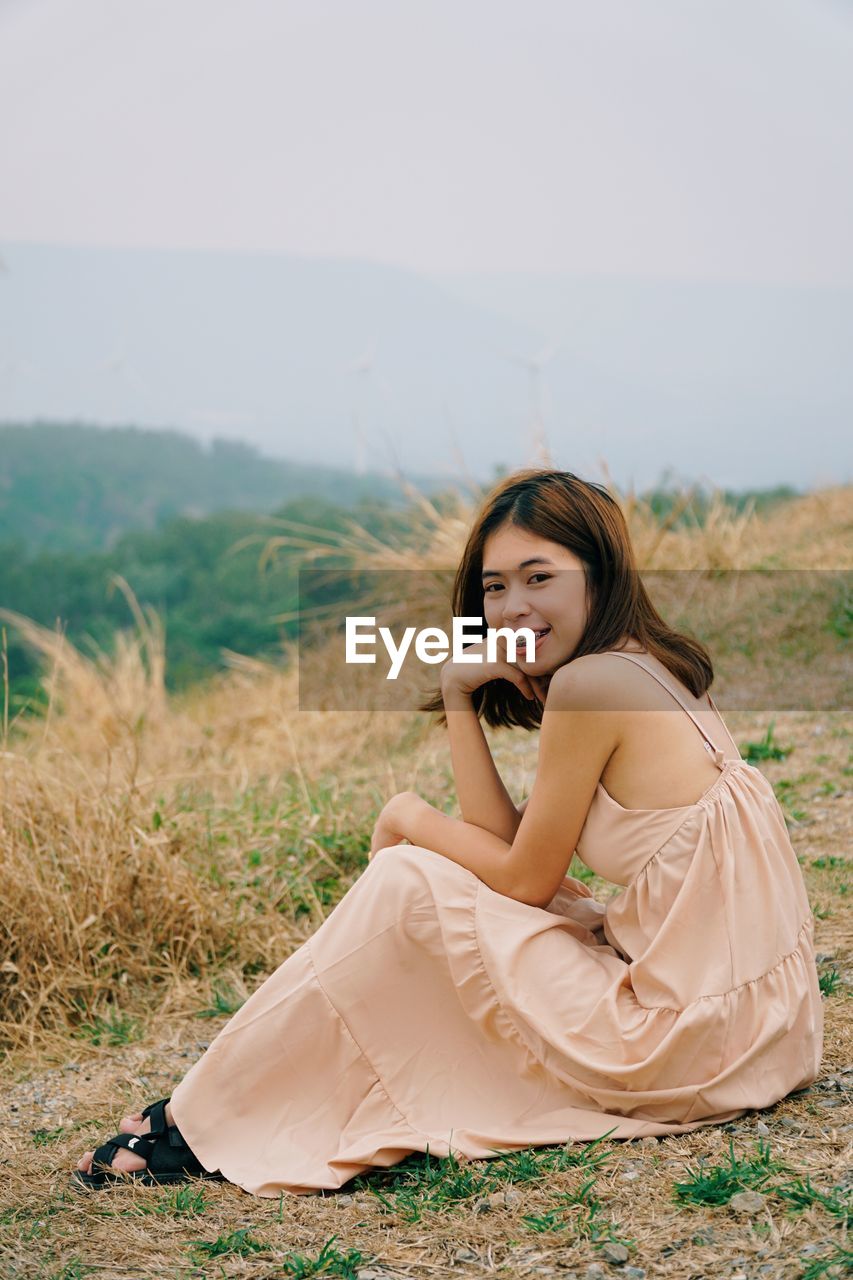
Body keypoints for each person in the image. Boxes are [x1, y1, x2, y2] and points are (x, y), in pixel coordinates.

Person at [72, 468, 823, 1195]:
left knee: (408, 877)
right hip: (758, 1031)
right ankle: (210, 1103)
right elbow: (505, 849)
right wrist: (457, 698)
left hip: (685, 1045)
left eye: (538, 577)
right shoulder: (649, 667)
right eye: (493, 587)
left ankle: (198, 1121)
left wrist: (407, 816)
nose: (512, 607)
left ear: (599, 574)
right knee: (437, 878)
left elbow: (523, 881)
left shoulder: (591, 686)